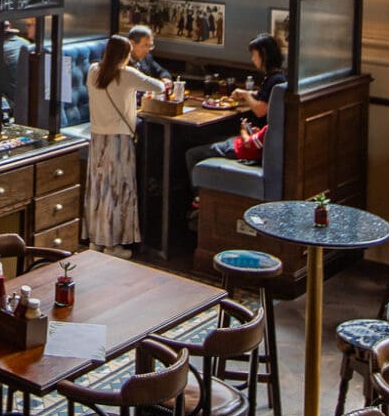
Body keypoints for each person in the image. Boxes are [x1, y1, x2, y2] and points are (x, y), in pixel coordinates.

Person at [85, 32, 166, 252]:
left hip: (97, 138)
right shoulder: (127, 74)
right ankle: (114, 245)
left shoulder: (93, 71)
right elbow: (158, 87)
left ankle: (96, 240)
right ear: (125, 54)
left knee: (99, 191)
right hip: (119, 140)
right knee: (119, 191)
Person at [186, 33, 286, 178]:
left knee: (192, 154)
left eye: (254, 54)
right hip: (257, 140)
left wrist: (246, 95)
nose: (252, 59)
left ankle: (198, 198)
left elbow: (260, 110)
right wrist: (246, 92)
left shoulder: (274, 80)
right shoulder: (278, 77)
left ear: (264, 55)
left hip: (254, 148)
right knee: (208, 140)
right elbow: (263, 98)